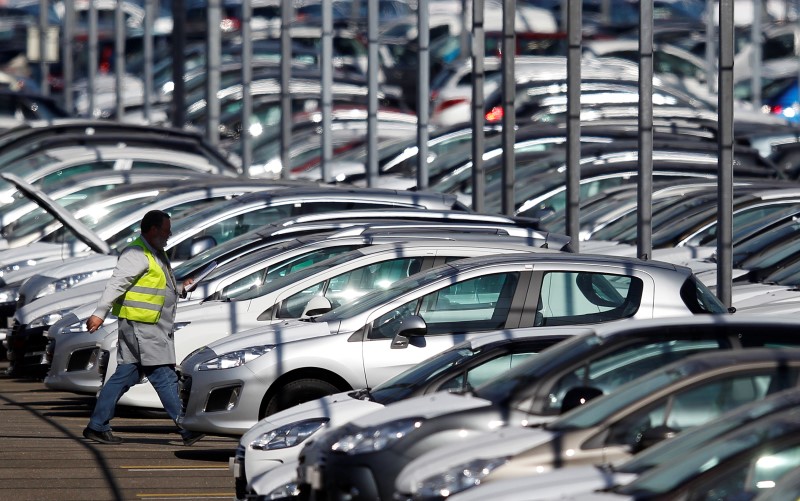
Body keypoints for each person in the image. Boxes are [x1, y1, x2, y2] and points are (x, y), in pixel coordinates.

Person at [82, 210, 205, 446]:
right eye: (166, 230)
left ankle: (97, 425)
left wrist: (180, 288)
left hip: (147, 324)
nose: (170, 235)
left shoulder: (154, 252)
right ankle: (186, 426)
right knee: (163, 374)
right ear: (153, 229)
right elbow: (116, 284)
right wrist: (99, 313)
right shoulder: (137, 253)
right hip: (143, 325)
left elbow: (157, 286)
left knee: (125, 374)